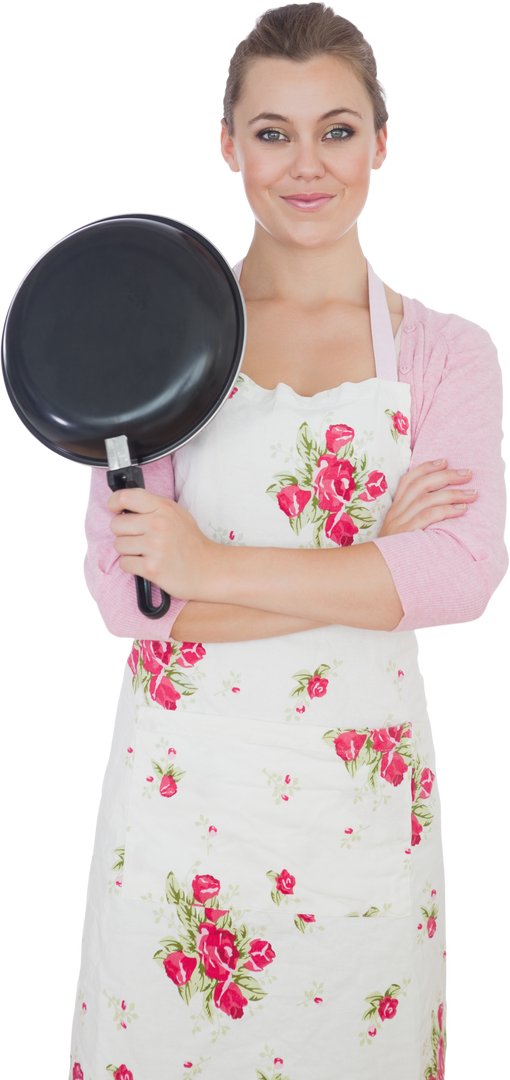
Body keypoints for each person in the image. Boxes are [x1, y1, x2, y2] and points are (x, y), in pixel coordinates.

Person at [68, 3, 508, 1078]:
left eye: (338, 129)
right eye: (272, 132)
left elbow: (459, 579)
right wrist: (372, 571)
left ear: (384, 143)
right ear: (225, 145)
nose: (306, 165)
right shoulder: (156, 344)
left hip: (357, 817)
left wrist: (209, 569)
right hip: (186, 809)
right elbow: (128, 605)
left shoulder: (448, 351)